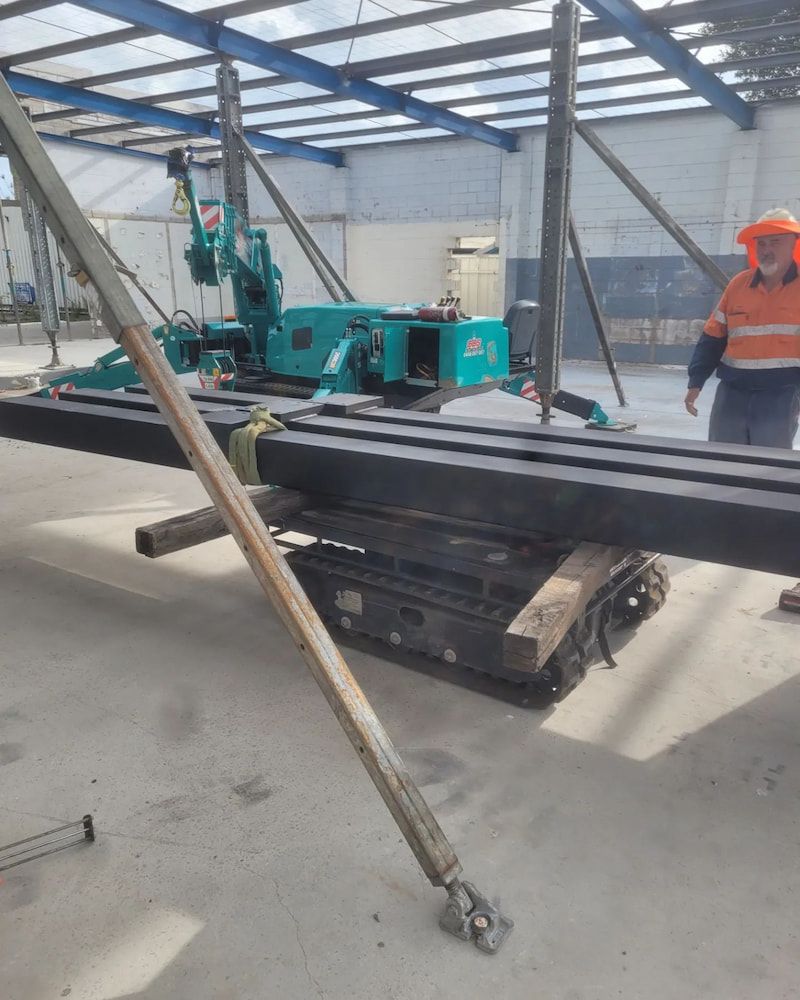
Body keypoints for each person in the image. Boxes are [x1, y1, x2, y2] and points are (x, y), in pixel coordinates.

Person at [684, 209, 800, 448]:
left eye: (775, 242)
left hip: (781, 394)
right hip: (732, 393)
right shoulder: (738, 285)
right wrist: (696, 381)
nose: (766, 250)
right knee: (722, 459)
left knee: (768, 466)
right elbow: (712, 337)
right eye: (762, 243)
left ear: (793, 245)